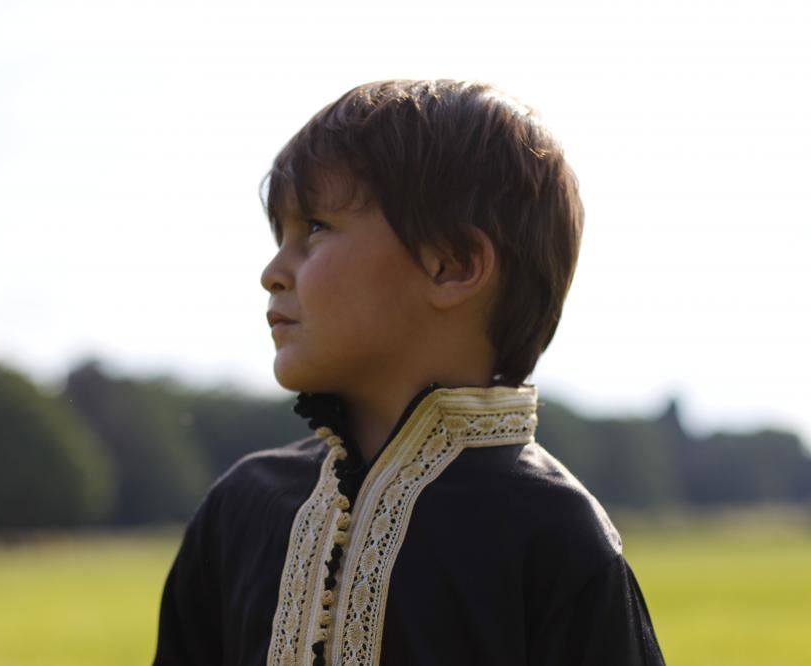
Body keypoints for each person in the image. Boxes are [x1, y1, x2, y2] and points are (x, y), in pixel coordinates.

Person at [153, 79, 665, 665]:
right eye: (280, 236)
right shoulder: (240, 509)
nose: (272, 271)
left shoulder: (555, 533)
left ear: (451, 264)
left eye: (315, 227)